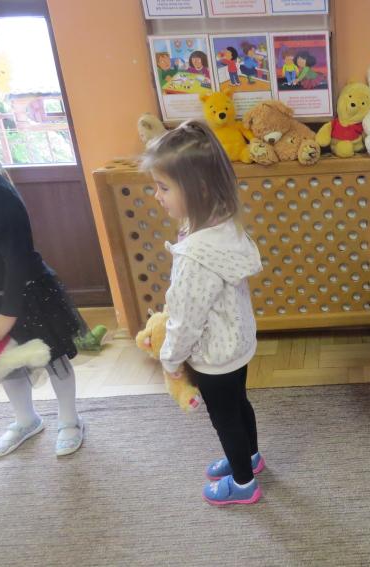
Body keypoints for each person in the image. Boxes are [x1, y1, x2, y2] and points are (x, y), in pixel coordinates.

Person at [0, 94, 85, 457]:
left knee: (52, 358)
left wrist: (9, 315)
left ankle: (69, 419)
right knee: (3, 363)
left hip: (27, 295)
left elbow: (18, 259)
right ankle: (26, 420)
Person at [141, 121, 264, 505]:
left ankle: (243, 484)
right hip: (237, 344)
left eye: (164, 187)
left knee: (225, 418)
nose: (157, 196)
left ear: (200, 189)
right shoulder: (224, 224)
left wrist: (170, 359)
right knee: (239, 404)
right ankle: (251, 458)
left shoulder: (196, 255)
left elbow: (185, 320)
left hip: (213, 356)